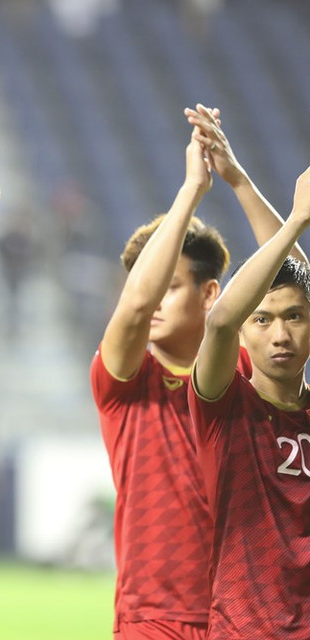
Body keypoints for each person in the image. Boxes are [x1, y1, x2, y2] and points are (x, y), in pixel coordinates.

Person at [90, 106, 305, 640]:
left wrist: (237, 179)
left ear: (212, 293)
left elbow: (294, 283)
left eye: (173, 286)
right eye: (148, 283)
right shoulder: (124, 379)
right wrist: (191, 190)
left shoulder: (238, 369)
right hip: (155, 618)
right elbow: (135, 309)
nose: (153, 299)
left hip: (242, 613)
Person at [188, 167, 310, 639]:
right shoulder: (225, 405)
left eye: (295, 317)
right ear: (244, 330)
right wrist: (296, 220)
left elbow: (301, 279)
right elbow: (219, 321)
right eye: (262, 319)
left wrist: (241, 181)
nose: (280, 335)